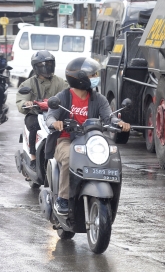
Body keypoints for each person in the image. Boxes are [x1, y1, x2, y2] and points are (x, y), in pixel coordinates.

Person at [45, 57, 130, 215]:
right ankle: (63, 199)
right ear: (80, 78)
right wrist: (55, 123)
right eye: (93, 75)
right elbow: (50, 116)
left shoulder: (98, 98)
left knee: (110, 156)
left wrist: (119, 123)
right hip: (66, 140)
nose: (96, 78)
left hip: (91, 141)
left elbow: (109, 117)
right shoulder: (63, 97)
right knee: (69, 158)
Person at [16, 50, 68, 171]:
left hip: (55, 115)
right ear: (36, 67)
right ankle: (33, 157)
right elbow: (21, 100)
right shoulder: (28, 83)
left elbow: (69, 94)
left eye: (49, 64)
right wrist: (26, 103)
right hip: (36, 114)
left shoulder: (60, 82)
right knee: (33, 125)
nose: (47, 67)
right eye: (43, 65)